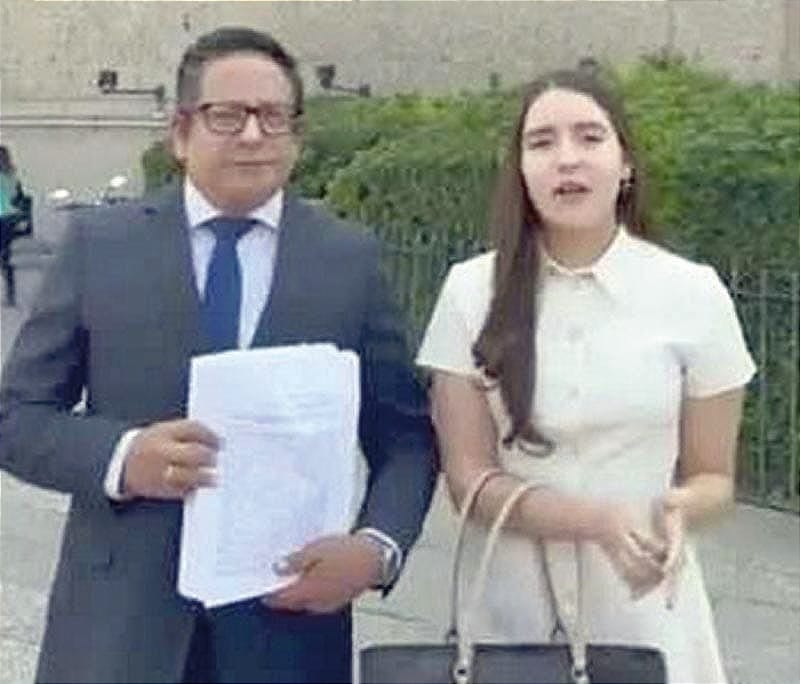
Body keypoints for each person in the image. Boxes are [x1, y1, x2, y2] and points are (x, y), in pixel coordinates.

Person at [0, 27, 436, 683]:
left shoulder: (348, 260)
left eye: (274, 116)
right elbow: (17, 416)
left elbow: (405, 437)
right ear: (181, 133)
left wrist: (377, 549)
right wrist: (123, 456)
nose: (254, 135)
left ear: (296, 134)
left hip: (289, 628)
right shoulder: (101, 246)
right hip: (119, 632)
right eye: (228, 116)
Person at [416, 68, 755, 683]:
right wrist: (595, 521)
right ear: (521, 170)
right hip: (509, 627)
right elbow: (468, 482)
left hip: (646, 612)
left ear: (626, 164)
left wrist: (676, 509)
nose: (566, 158)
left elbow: (714, 477)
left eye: (590, 137)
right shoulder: (469, 291)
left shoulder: (693, 293)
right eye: (542, 142)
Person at [0, 144, 30, 306]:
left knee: (4, 257)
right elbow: (19, 197)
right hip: (9, 218)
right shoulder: (11, 175)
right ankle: (10, 294)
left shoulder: (8, 177)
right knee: (5, 257)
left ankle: (10, 294)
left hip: (4, 218)